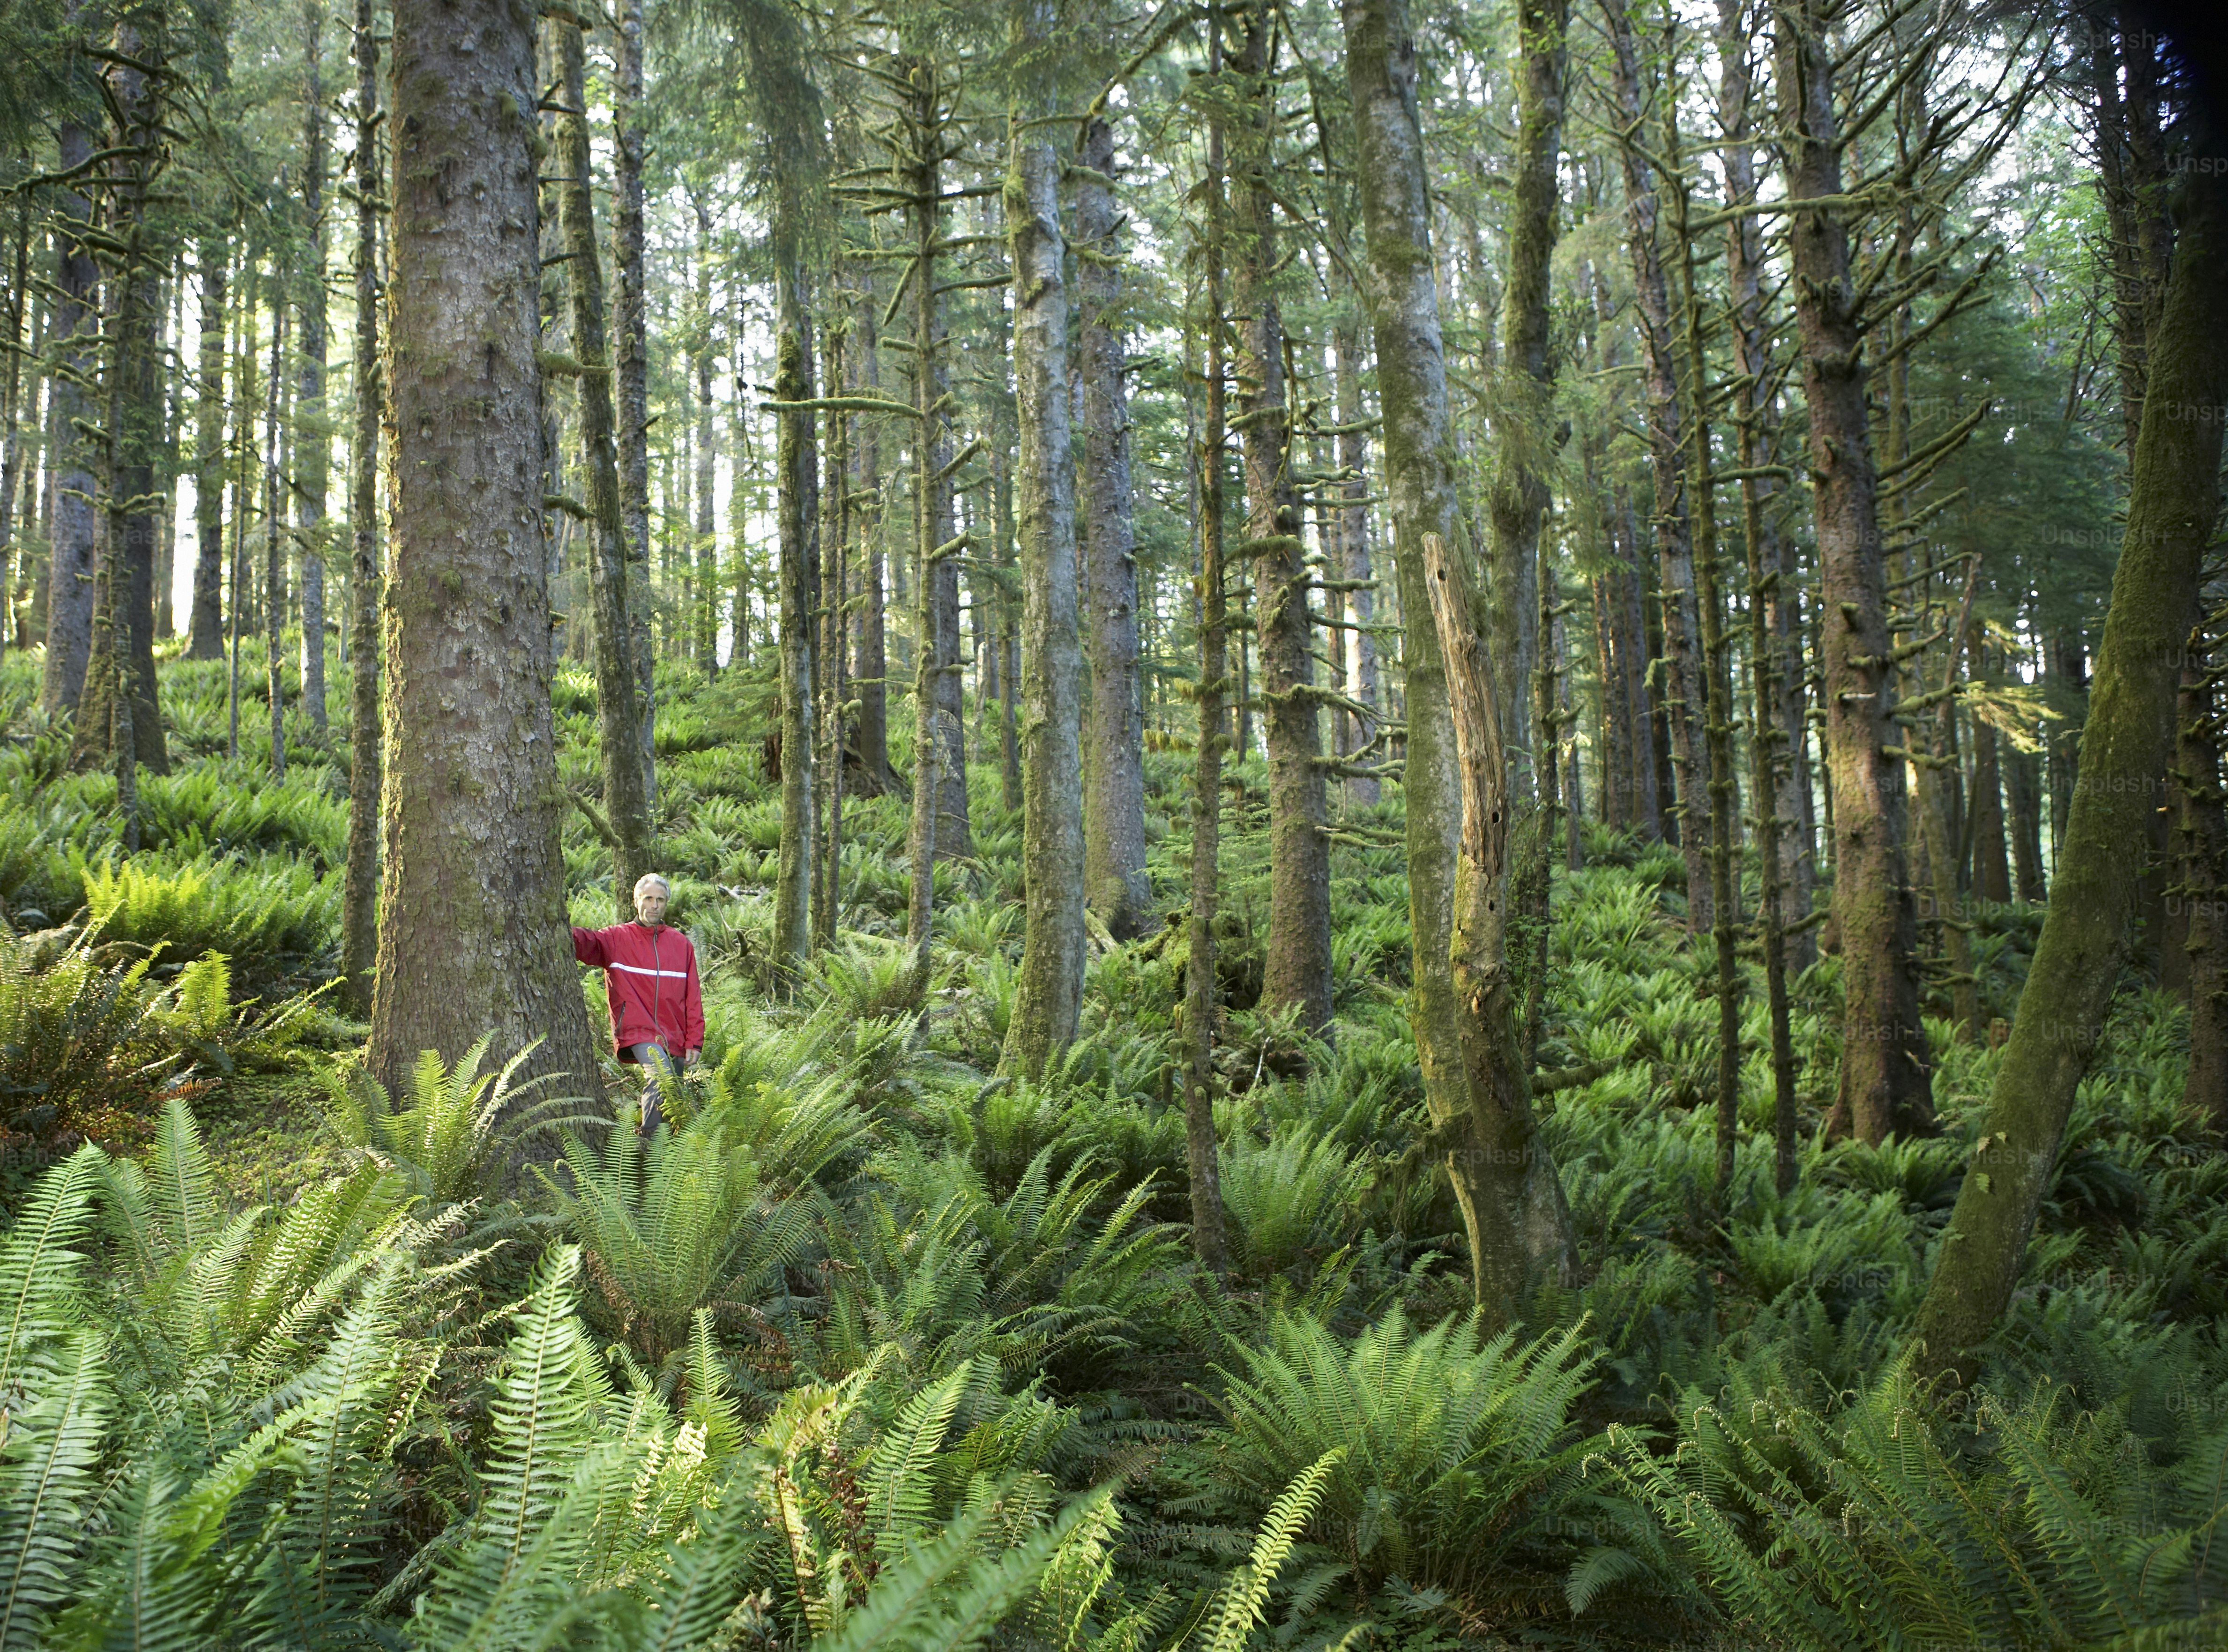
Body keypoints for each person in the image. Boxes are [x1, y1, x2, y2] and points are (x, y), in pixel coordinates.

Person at [572, 873, 704, 1130]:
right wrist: (554, 926)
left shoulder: (681, 945)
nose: (655, 905)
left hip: (675, 1033)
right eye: (649, 899)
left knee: (672, 1094)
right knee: (661, 1075)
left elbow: (693, 998)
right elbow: (584, 943)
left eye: (661, 900)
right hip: (637, 1029)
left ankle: (663, 1155)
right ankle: (650, 1144)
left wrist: (694, 1040)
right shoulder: (615, 939)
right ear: (637, 901)